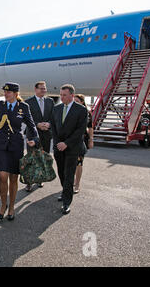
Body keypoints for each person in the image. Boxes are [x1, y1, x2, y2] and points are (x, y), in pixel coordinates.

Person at [0, 82, 39, 221]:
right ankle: (3, 205)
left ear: (15, 94)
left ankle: (11, 207)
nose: (5, 94)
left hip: (16, 145)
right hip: (1, 145)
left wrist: (34, 139)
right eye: (4, 92)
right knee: (3, 176)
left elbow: (31, 124)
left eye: (8, 92)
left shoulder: (23, 107)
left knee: (13, 178)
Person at [51, 84, 87, 215]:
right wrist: (57, 143)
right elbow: (53, 128)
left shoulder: (81, 110)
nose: (61, 97)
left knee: (69, 173)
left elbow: (80, 130)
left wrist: (66, 143)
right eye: (60, 95)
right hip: (58, 147)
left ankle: (66, 202)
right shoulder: (57, 109)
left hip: (72, 148)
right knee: (61, 172)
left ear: (72, 95)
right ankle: (65, 190)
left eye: (64, 95)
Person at [24, 81, 55, 192]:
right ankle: (29, 182)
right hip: (32, 134)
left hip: (46, 134)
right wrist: (37, 124)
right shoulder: (28, 102)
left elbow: (53, 116)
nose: (44, 90)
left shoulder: (50, 101)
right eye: (41, 88)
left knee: (42, 157)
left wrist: (49, 124)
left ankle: (39, 179)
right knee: (31, 158)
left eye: (44, 88)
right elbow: (26, 118)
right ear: (35, 89)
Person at [73, 94, 93, 194]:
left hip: (82, 141)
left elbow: (90, 127)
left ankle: (77, 184)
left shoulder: (87, 113)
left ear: (82, 102)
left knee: (79, 164)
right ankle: (71, 181)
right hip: (71, 141)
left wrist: (91, 140)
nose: (75, 103)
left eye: (77, 101)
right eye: (74, 101)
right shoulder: (70, 111)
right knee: (70, 163)